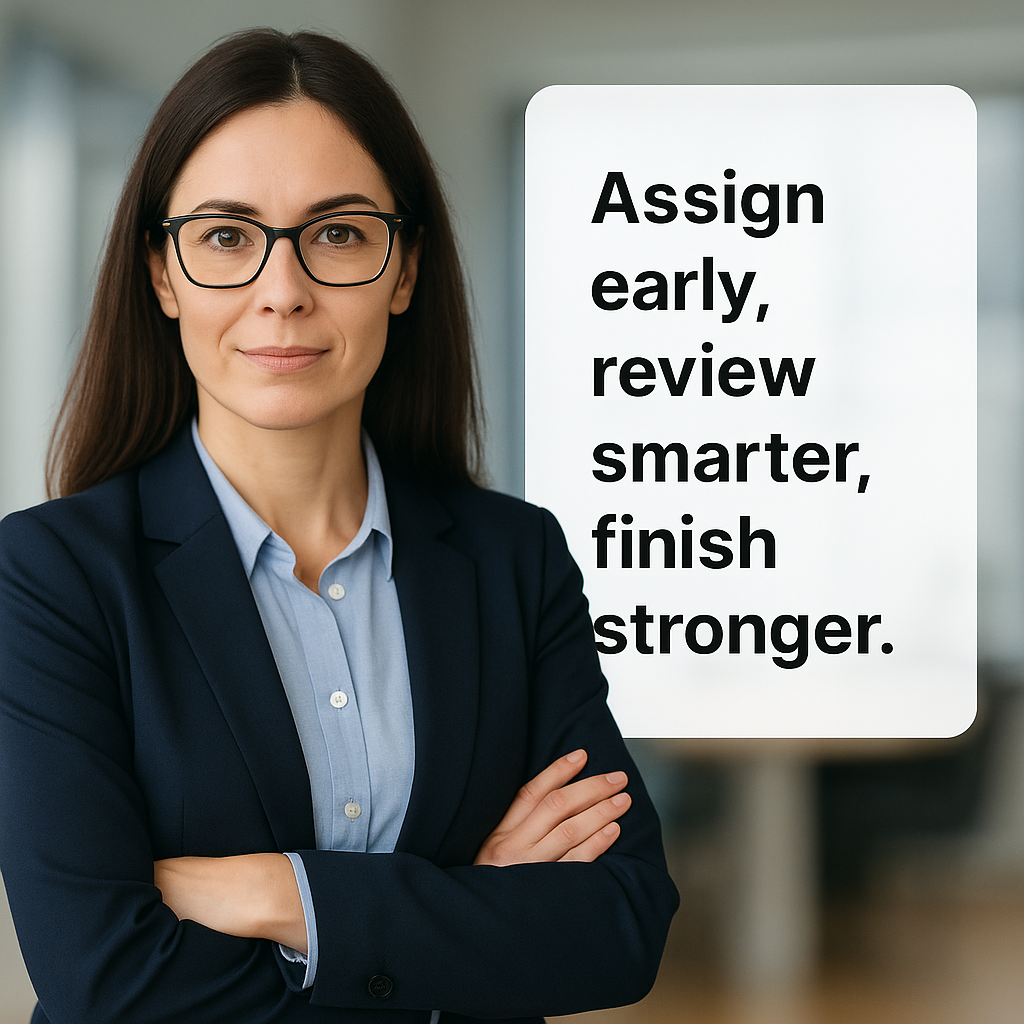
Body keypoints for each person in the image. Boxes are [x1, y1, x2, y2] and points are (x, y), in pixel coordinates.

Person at [0, 28, 678, 1024]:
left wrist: (284, 898)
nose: (283, 291)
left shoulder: (513, 559)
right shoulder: (50, 576)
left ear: (403, 270)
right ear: (162, 275)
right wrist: (466, 913)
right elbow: (106, 980)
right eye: (227, 236)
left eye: (339, 233)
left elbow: (619, 925)